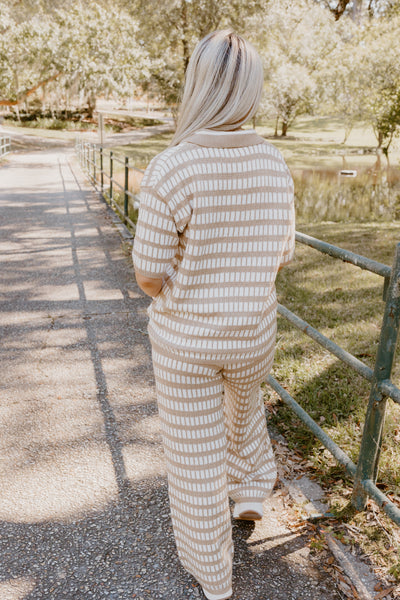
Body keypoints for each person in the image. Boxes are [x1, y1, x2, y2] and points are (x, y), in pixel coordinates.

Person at [132, 29, 295, 600]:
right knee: (245, 401)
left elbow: (149, 274)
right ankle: (252, 489)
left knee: (194, 457)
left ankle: (215, 577)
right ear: (250, 90)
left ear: (199, 85)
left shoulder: (172, 167)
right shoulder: (274, 163)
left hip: (188, 341)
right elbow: (280, 257)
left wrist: (185, 289)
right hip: (252, 331)